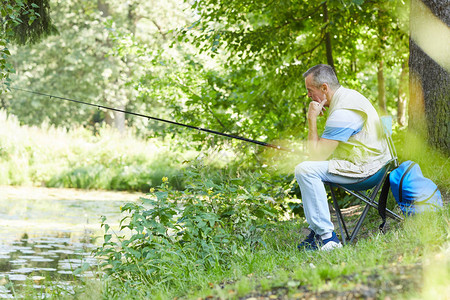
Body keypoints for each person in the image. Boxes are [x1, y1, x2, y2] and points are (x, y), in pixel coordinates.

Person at [295, 64, 391, 251]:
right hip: (372, 163)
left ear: (324, 88)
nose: (308, 96)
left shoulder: (343, 112)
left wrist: (312, 119)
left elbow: (316, 155)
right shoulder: (348, 98)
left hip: (367, 169)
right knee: (308, 168)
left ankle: (327, 239)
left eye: (310, 91)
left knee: (305, 170)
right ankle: (317, 233)